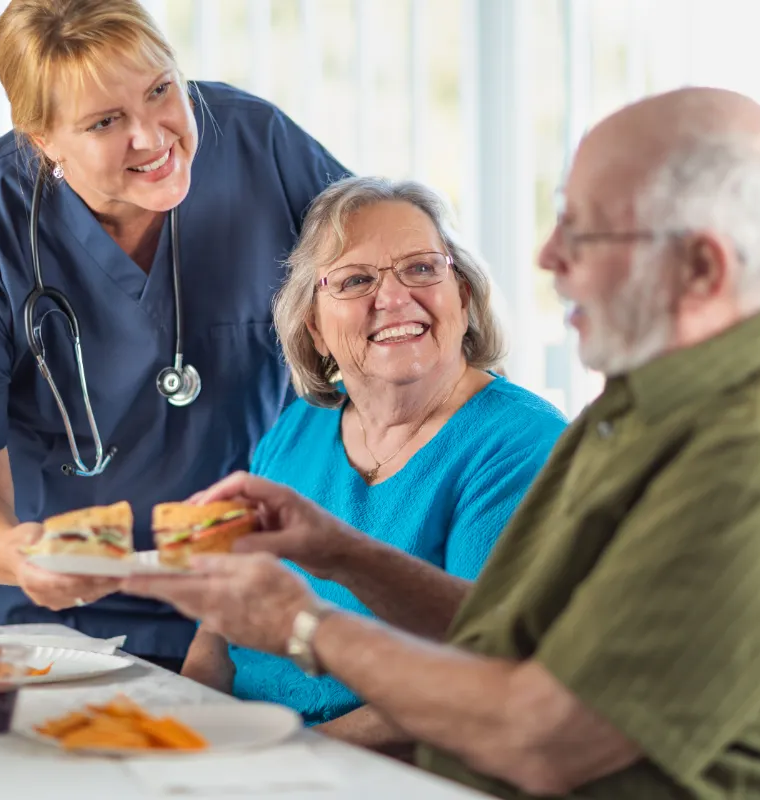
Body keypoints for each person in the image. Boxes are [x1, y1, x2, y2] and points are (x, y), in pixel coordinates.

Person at [122, 86, 760, 798]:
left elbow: (540, 740)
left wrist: (303, 626)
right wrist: (338, 551)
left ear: (701, 268)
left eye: (586, 232)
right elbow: (504, 632)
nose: (546, 258)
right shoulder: (653, 409)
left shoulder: (756, 469)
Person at [0, 0, 348, 671]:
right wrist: (18, 555)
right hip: (34, 600)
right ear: (43, 138)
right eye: (106, 122)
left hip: (217, 574)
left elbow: (378, 281)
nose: (153, 136)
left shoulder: (260, 149)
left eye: (161, 90)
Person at [178, 177, 568, 747]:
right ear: (315, 326)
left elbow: (479, 676)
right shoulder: (298, 427)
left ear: (462, 295)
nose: (392, 298)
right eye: (357, 280)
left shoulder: (520, 443)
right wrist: (182, 725)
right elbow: (219, 621)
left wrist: (286, 764)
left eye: (421, 269)